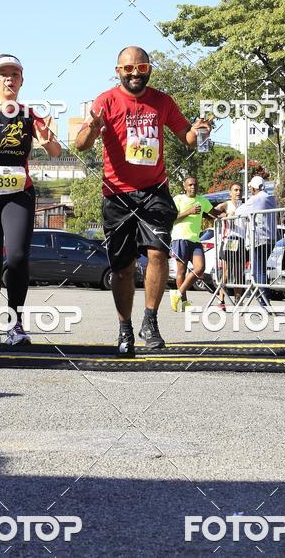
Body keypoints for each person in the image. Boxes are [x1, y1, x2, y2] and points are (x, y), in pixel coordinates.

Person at [75, 46, 210, 356]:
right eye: (128, 69)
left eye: (142, 68)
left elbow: (187, 138)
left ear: (149, 69)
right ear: (118, 71)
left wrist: (200, 132)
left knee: (158, 254)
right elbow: (81, 145)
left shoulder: (162, 101)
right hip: (117, 195)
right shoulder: (105, 101)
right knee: (122, 269)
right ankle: (125, 329)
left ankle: (150, 320)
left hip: (154, 191)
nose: (135, 73)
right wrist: (93, 129)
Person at [0, 54, 61, 356]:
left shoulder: (29, 114)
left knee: (19, 256)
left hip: (19, 192)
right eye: (3, 74)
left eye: (15, 74)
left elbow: (55, 152)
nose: (9, 79)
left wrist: (47, 138)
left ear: (22, 80)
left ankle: (16, 324)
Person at [170, 176, 218, 312]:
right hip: (180, 238)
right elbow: (172, 218)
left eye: (195, 185)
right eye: (190, 185)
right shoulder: (178, 199)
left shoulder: (202, 200)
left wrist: (228, 212)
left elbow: (215, 213)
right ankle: (184, 303)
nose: (193, 187)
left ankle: (177, 294)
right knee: (181, 271)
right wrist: (189, 212)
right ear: (185, 187)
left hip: (196, 240)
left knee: (200, 268)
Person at [234, 176, 277, 296]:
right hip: (270, 238)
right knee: (262, 269)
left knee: (259, 271)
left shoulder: (256, 199)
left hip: (258, 239)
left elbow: (239, 211)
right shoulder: (271, 198)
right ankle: (264, 297)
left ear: (254, 188)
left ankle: (263, 299)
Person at [214, 182, 245, 308]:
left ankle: (238, 299)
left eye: (240, 190)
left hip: (242, 240)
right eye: (235, 190)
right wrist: (226, 216)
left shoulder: (245, 205)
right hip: (230, 239)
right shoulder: (227, 204)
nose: (238, 192)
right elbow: (214, 211)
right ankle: (221, 300)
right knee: (226, 271)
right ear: (230, 192)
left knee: (239, 272)